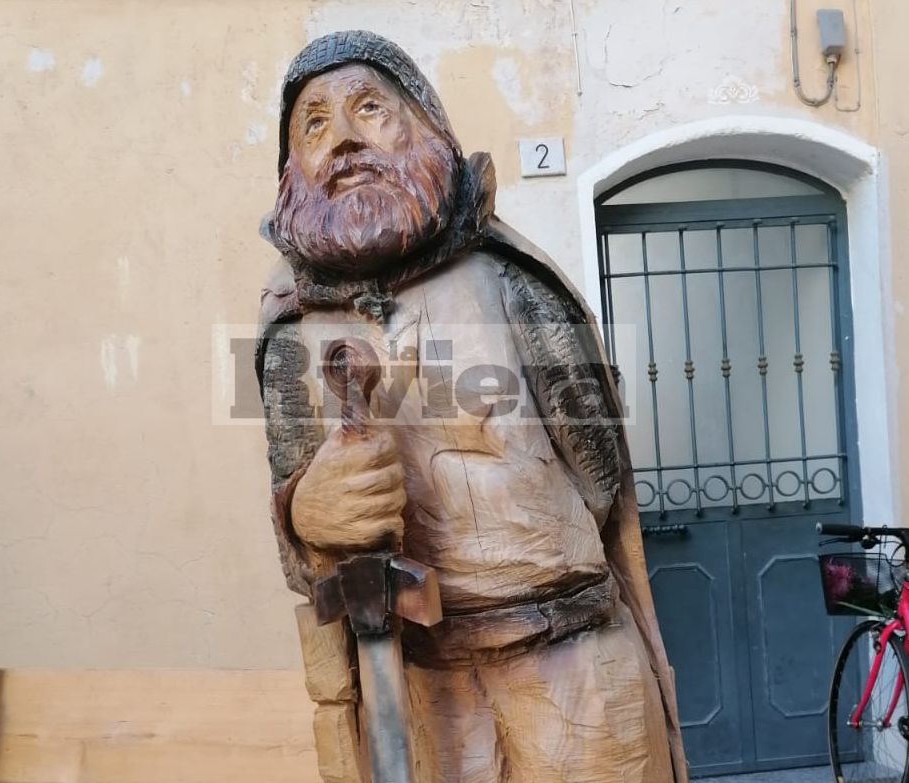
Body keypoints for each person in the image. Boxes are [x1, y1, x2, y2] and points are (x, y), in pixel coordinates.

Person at [256, 30, 687, 783]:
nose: (347, 139)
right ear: (291, 168)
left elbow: (598, 475)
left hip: (572, 669)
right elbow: (299, 545)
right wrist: (307, 513)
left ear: (427, 126)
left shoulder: (510, 281)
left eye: (369, 108)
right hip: (422, 689)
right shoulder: (289, 331)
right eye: (315, 125)